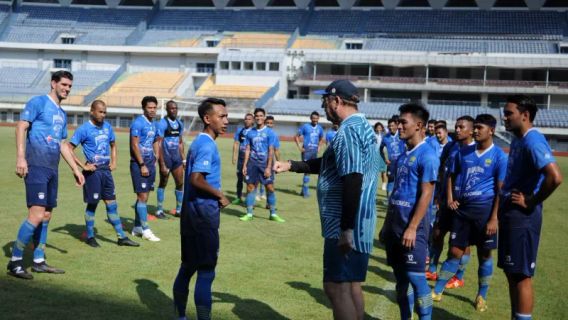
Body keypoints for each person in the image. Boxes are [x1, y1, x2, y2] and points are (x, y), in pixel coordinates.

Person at [274, 80, 379, 320]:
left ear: (337, 101)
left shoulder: (348, 131)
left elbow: (353, 177)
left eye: (325, 101)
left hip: (347, 223)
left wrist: (346, 229)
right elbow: (331, 164)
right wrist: (292, 165)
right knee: (351, 284)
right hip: (361, 221)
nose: (323, 106)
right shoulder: (362, 126)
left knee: (335, 286)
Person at [7, 70, 85, 279]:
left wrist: (76, 170)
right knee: (36, 214)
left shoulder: (62, 113)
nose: (67, 89)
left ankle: (39, 260)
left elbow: (62, 144)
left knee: (47, 215)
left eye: (69, 86)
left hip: (52, 168)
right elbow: (21, 127)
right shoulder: (38, 102)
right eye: (64, 85)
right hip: (37, 166)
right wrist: (21, 158)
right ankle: (14, 261)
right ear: (53, 83)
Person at [432, 114, 507, 313]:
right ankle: (437, 290)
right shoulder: (463, 152)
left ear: (491, 130)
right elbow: (450, 175)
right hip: (463, 211)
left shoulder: (499, 156)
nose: (475, 131)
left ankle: (481, 295)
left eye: (479, 128)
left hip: (484, 213)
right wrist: (449, 198)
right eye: (475, 128)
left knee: (484, 255)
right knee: (455, 251)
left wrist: (494, 217)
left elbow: (501, 190)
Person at [499, 95, 562, 320]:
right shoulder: (517, 139)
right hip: (509, 214)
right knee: (511, 272)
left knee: (522, 275)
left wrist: (531, 200)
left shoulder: (533, 140)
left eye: (509, 113)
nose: (503, 117)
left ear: (525, 115)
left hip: (522, 218)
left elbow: (555, 177)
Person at [172, 98, 230, 320]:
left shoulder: (198, 142)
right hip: (203, 217)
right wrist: (219, 194)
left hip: (190, 216)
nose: (226, 120)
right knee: (206, 271)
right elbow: (196, 179)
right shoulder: (206, 144)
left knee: (188, 266)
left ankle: (180, 316)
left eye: (226, 116)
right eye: (221, 116)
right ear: (207, 118)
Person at [383, 102, 439, 320]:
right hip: (394, 227)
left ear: (419, 125)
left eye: (403, 122)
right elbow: (395, 193)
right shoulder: (403, 156)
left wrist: (413, 227)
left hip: (413, 228)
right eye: (398, 122)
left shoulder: (428, 155)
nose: (399, 126)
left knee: (416, 278)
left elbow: (427, 194)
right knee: (401, 279)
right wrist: (387, 225)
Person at [68, 100, 139, 248]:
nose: (103, 115)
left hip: (106, 172)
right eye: (100, 112)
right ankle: (90, 236)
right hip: (93, 174)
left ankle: (121, 237)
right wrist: (83, 166)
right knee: (92, 205)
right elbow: (68, 148)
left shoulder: (108, 127)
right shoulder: (83, 129)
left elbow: (113, 145)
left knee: (112, 205)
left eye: (105, 112)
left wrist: (114, 162)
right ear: (92, 111)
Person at [426, 116, 475, 286]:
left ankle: (459, 276)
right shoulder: (450, 146)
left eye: (461, 127)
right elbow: (443, 169)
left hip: (463, 203)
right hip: (446, 199)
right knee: (437, 233)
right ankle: (432, 269)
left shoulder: (475, 150)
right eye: (456, 127)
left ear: (472, 130)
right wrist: (441, 195)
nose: (457, 130)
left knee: (462, 242)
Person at [240, 108, 284, 222]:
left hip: (265, 164)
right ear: (254, 117)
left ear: (264, 117)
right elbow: (248, 149)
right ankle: (249, 214)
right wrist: (244, 165)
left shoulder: (270, 133)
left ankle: (273, 214)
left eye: (261, 116)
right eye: (257, 116)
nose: (259, 118)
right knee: (250, 188)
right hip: (252, 164)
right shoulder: (250, 132)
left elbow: (271, 150)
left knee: (270, 188)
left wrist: (269, 167)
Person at [130, 96, 161, 242]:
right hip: (139, 164)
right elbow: (134, 144)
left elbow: (155, 140)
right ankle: (146, 230)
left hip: (150, 163)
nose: (153, 110)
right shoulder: (138, 123)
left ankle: (137, 227)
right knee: (142, 197)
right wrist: (142, 164)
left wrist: (157, 156)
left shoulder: (154, 124)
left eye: (155, 107)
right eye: (150, 107)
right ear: (144, 108)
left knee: (145, 197)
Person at [156, 100, 186, 219]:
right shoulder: (162, 123)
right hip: (166, 158)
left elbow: (180, 143)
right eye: (171, 108)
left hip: (177, 159)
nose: (174, 110)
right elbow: (159, 144)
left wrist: (184, 159)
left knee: (180, 183)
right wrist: (162, 163)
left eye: (175, 108)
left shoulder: (180, 123)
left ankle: (179, 210)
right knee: (163, 183)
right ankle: (159, 210)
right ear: (167, 110)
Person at [294, 111, 324, 198]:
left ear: (318, 119)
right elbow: (296, 136)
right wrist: (300, 147)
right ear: (311, 118)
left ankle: (303, 190)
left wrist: (319, 147)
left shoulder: (320, 128)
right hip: (306, 152)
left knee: (310, 170)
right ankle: (305, 192)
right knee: (307, 170)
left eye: (316, 118)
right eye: (313, 118)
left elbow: (321, 138)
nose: (315, 120)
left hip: (314, 152)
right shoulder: (305, 126)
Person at [380, 116, 405, 198]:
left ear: (397, 125)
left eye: (392, 125)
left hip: (402, 162)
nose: (390, 127)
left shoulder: (402, 134)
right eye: (389, 126)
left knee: (401, 181)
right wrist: (385, 159)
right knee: (391, 181)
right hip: (392, 163)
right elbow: (380, 149)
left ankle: (399, 199)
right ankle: (389, 201)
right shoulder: (385, 137)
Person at [231, 113, 254, 205]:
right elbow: (236, 143)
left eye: (249, 119)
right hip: (241, 157)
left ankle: (249, 199)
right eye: (245, 119)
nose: (247, 120)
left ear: (253, 121)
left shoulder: (255, 131)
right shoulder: (240, 131)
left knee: (250, 179)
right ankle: (238, 197)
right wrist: (234, 156)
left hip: (251, 158)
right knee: (239, 178)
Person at [374, 122, 388, 192]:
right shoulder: (373, 135)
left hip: (383, 154)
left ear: (382, 128)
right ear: (375, 128)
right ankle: (374, 185)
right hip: (375, 154)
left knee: (384, 171)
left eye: (380, 127)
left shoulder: (385, 136)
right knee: (375, 171)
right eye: (377, 127)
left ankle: (384, 185)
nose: (379, 128)